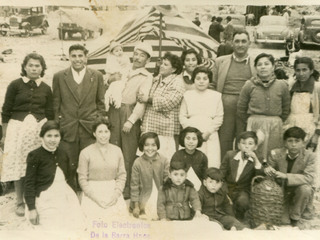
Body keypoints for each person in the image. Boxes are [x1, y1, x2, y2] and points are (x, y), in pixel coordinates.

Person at [1, 53, 54, 216]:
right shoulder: (15, 85)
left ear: (42, 68)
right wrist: (4, 134)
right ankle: (19, 201)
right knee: (19, 163)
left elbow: (50, 112)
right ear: (24, 67)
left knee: (35, 164)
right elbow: (6, 110)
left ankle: (35, 198)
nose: (34, 68)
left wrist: (50, 132)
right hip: (17, 130)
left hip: (38, 131)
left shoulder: (46, 88)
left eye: (37, 66)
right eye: (31, 65)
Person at [52, 44, 105, 190]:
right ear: (69, 57)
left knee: (89, 164)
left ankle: (87, 196)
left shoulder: (97, 76)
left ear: (86, 58)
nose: (77, 59)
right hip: (67, 128)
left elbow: (101, 104)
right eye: (74, 56)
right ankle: (71, 197)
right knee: (68, 165)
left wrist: (98, 126)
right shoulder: (59, 77)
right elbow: (55, 105)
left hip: (89, 128)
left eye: (80, 56)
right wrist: (58, 127)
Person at [108, 41, 153, 199]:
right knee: (112, 148)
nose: (137, 58)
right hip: (115, 111)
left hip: (129, 113)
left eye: (142, 56)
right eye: (136, 54)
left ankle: (126, 190)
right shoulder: (123, 70)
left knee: (127, 153)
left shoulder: (147, 77)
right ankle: (112, 187)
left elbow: (141, 102)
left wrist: (131, 120)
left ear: (147, 60)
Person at [24, 121, 85, 230]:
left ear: (60, 137)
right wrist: (31, 209)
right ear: (42, 136)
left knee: (75, 226)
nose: (53, 139)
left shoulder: (63, 153)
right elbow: (29, 184)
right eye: (49, 136)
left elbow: (70, 179)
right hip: (45, 197)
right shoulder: (35, 156)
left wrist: (74, 199)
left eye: (56, 136)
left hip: (64, 195)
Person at [212, 30, 256, 159]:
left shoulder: (256, 62)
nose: (240, 44)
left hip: (247, 108)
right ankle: (224, 168)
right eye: (237, 41)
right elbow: (213, 84)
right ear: (232, 43)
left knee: (244, 140)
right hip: (225, 107)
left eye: (244, 41)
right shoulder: (220, 61)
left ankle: (242, 170)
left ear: (249, 43)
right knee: (224, 139)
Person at [237, 53, 291, 159]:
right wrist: (251, 120)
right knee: (255, 152)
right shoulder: (249, 85)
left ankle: (271, 174)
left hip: (275, 124)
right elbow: (241, 107)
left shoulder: (282, 85)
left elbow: (286, 107)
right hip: (255, 123)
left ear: (273, 67)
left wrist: (278, 120)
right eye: (259, 64)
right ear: (256, 68)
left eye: (266, 64)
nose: (263, 67)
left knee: (273, 153)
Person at [264, 127, 316, 227]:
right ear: (285, 142)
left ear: (303, 142)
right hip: (281, 191)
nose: (293, 144)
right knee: (283, 221)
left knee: (305, 188)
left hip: (298, 191)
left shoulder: (310, 156)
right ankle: (285, 209)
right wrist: (267, 169)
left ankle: (295, 217)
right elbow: (269, 175)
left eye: (297, 141)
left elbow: (309, 177)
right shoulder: (275, 154)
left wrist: (286, 176)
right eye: (290, 141)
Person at [77, 117, 127, 221]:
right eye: (100, 132)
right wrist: (95, 198)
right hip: (92, 193)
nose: (103, 135)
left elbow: (122, 175)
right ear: (94, 134)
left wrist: (116, 194)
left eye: (106, 131)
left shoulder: (117, 151)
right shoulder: (85, 153)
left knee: (117, 224)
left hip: (112, 191)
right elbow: (82, 179)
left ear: (110, 133)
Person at [141, 52, 184, 161]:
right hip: (151, 125)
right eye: (162, 63)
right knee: (149, 158)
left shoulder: (177, 82)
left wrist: (148, 99)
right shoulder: (157, 79)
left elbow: (168, 102)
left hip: (165, 129)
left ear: (173, 69)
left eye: (165, 64)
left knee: (164, 159)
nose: (161, 66)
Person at [180, 66, 223, 168]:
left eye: (205, 78)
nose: (201, 81)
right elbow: (182, 116)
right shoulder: (187, 95)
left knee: (210, 161)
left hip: (209, 133)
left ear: (209, 80)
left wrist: (208, 132)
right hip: (191, 131)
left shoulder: (216, 96)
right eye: (198, 78)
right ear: (193, 79)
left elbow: (219, 117)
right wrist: (191, 132)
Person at [220, 131, 263, 220]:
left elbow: (259, 179)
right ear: (238, 145)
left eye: (250, 144)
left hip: (243, 190)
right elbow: (221, 175)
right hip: (227, 187)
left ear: (255, 147)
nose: (246, 146)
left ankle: (239, 219)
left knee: (243, 201)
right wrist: (224, 191)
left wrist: (255, 160)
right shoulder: (230, 155)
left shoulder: (258, 158)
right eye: (243, 143)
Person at [130, 132, 169, 220]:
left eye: (153, 145)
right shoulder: (137, 162)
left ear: (157, 146)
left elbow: (168, 183)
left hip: (161, 196)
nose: (150, 148)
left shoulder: (164, 160)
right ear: (142, 146)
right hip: (144, 197)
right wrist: (136, 206)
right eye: (146, 145)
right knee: (144, 216)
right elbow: (134, 186)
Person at [284, 57, 320, 148]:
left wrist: (316, 134)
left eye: (304, 70)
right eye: (298, 70)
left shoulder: (317, 87)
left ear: (311, 71)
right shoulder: (291, 86)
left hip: (310, 127)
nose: (301, 73)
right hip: (291, 126)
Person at [104, 41, 131, 111]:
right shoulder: (111, 59)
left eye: (120, 50)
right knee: (112, 89)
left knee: (120, 87)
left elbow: (128, 67)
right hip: (115, 77)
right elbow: (109, 71)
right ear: (112, 52)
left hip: (124, 77)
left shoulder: (125, 58)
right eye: (116, 51)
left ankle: (117, 100)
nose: (119, 52)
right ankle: (108, 101)